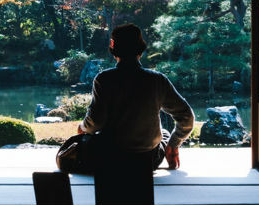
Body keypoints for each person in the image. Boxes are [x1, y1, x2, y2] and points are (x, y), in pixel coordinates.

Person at [77, 24, 195, 170]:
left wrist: (82, 127)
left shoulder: (104, 79)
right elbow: (187, 117)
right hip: (147, 160)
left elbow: (95, 122)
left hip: (110, 158)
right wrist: (173, 143)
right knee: (163, 133)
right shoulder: (157, 80)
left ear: (112, 46)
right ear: (141, 48)